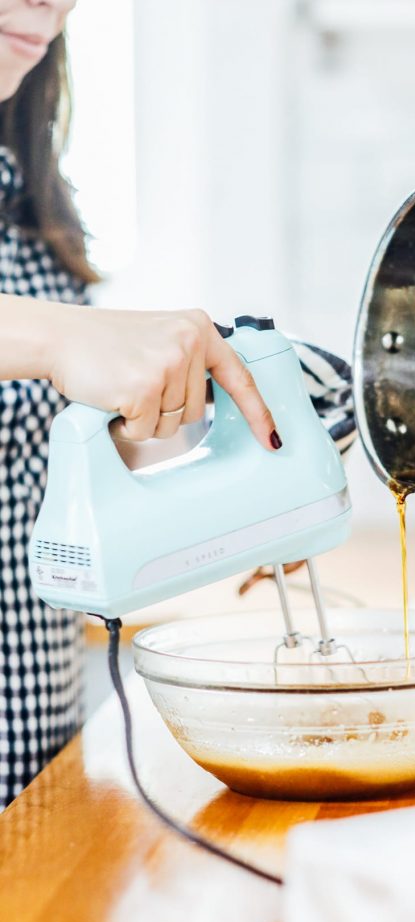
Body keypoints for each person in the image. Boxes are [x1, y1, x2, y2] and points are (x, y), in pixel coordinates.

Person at [0, 0, 354, 809]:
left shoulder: (25, 193)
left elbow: (38, 458)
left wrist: (257, 475)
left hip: (37, 769)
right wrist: (59, 338)